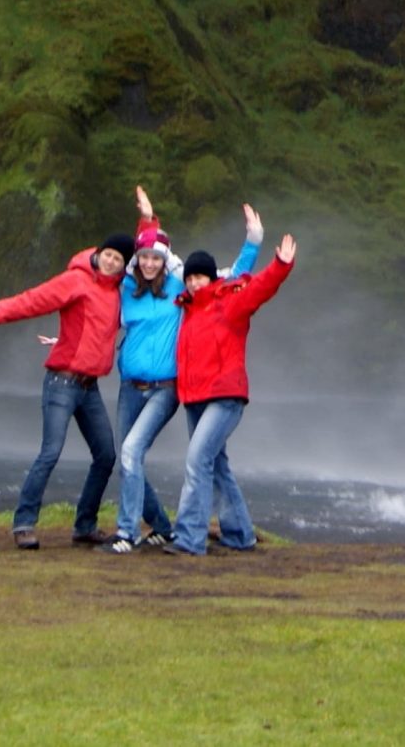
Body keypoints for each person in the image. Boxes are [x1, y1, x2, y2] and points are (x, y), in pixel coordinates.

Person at [0, 232, 135, 550]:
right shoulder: (75, 280)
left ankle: (84, 526)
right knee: (50, 452)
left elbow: (149, 253)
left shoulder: (117, 292)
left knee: (106, 455)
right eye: (108, 254)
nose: (110, 261)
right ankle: (24, 524)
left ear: (123, 266)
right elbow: (32, 300)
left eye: (118, 259)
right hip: (62, 382)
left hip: (89, 386)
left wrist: (149, 219)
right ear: (99, 252)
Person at [109, 188, 261, 553]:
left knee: (136, 453)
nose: (148, 262)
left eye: (155, 258)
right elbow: (100, 296)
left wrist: (254, 243)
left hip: (168, 388)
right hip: (131, 385)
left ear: (165, 261)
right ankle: (173, 527)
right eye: (143, 257)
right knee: (128, 458)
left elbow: (229, 279)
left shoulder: (182, 287)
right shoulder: (127, 287)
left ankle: (130, 534)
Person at [169, 230, 297, 556]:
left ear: (212, 278)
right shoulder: (186, 310)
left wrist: (280, 264)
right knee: (217, 466)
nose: (195, 283)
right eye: (191, 278)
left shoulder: (227, 302)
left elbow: (259, 289)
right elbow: (149, 262)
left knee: (198, 461)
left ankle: (189, 539)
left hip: (225, 396)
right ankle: (240, 534)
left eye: (201, 277)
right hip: (194, 399)